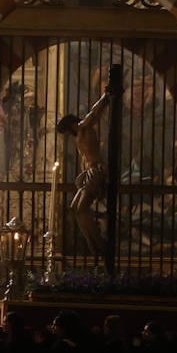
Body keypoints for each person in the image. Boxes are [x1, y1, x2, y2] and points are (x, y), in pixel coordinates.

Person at [56, 90, 111, 258]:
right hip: (89, 173)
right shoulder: (79, 134)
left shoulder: (83, 127)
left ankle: (100, 244)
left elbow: (94, 113)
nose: (67, 135)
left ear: (69, 125)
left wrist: (105, 96)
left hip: (96, 172)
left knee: (81, 209)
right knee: (74, 208)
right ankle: (92, 243)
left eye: (65, 131)